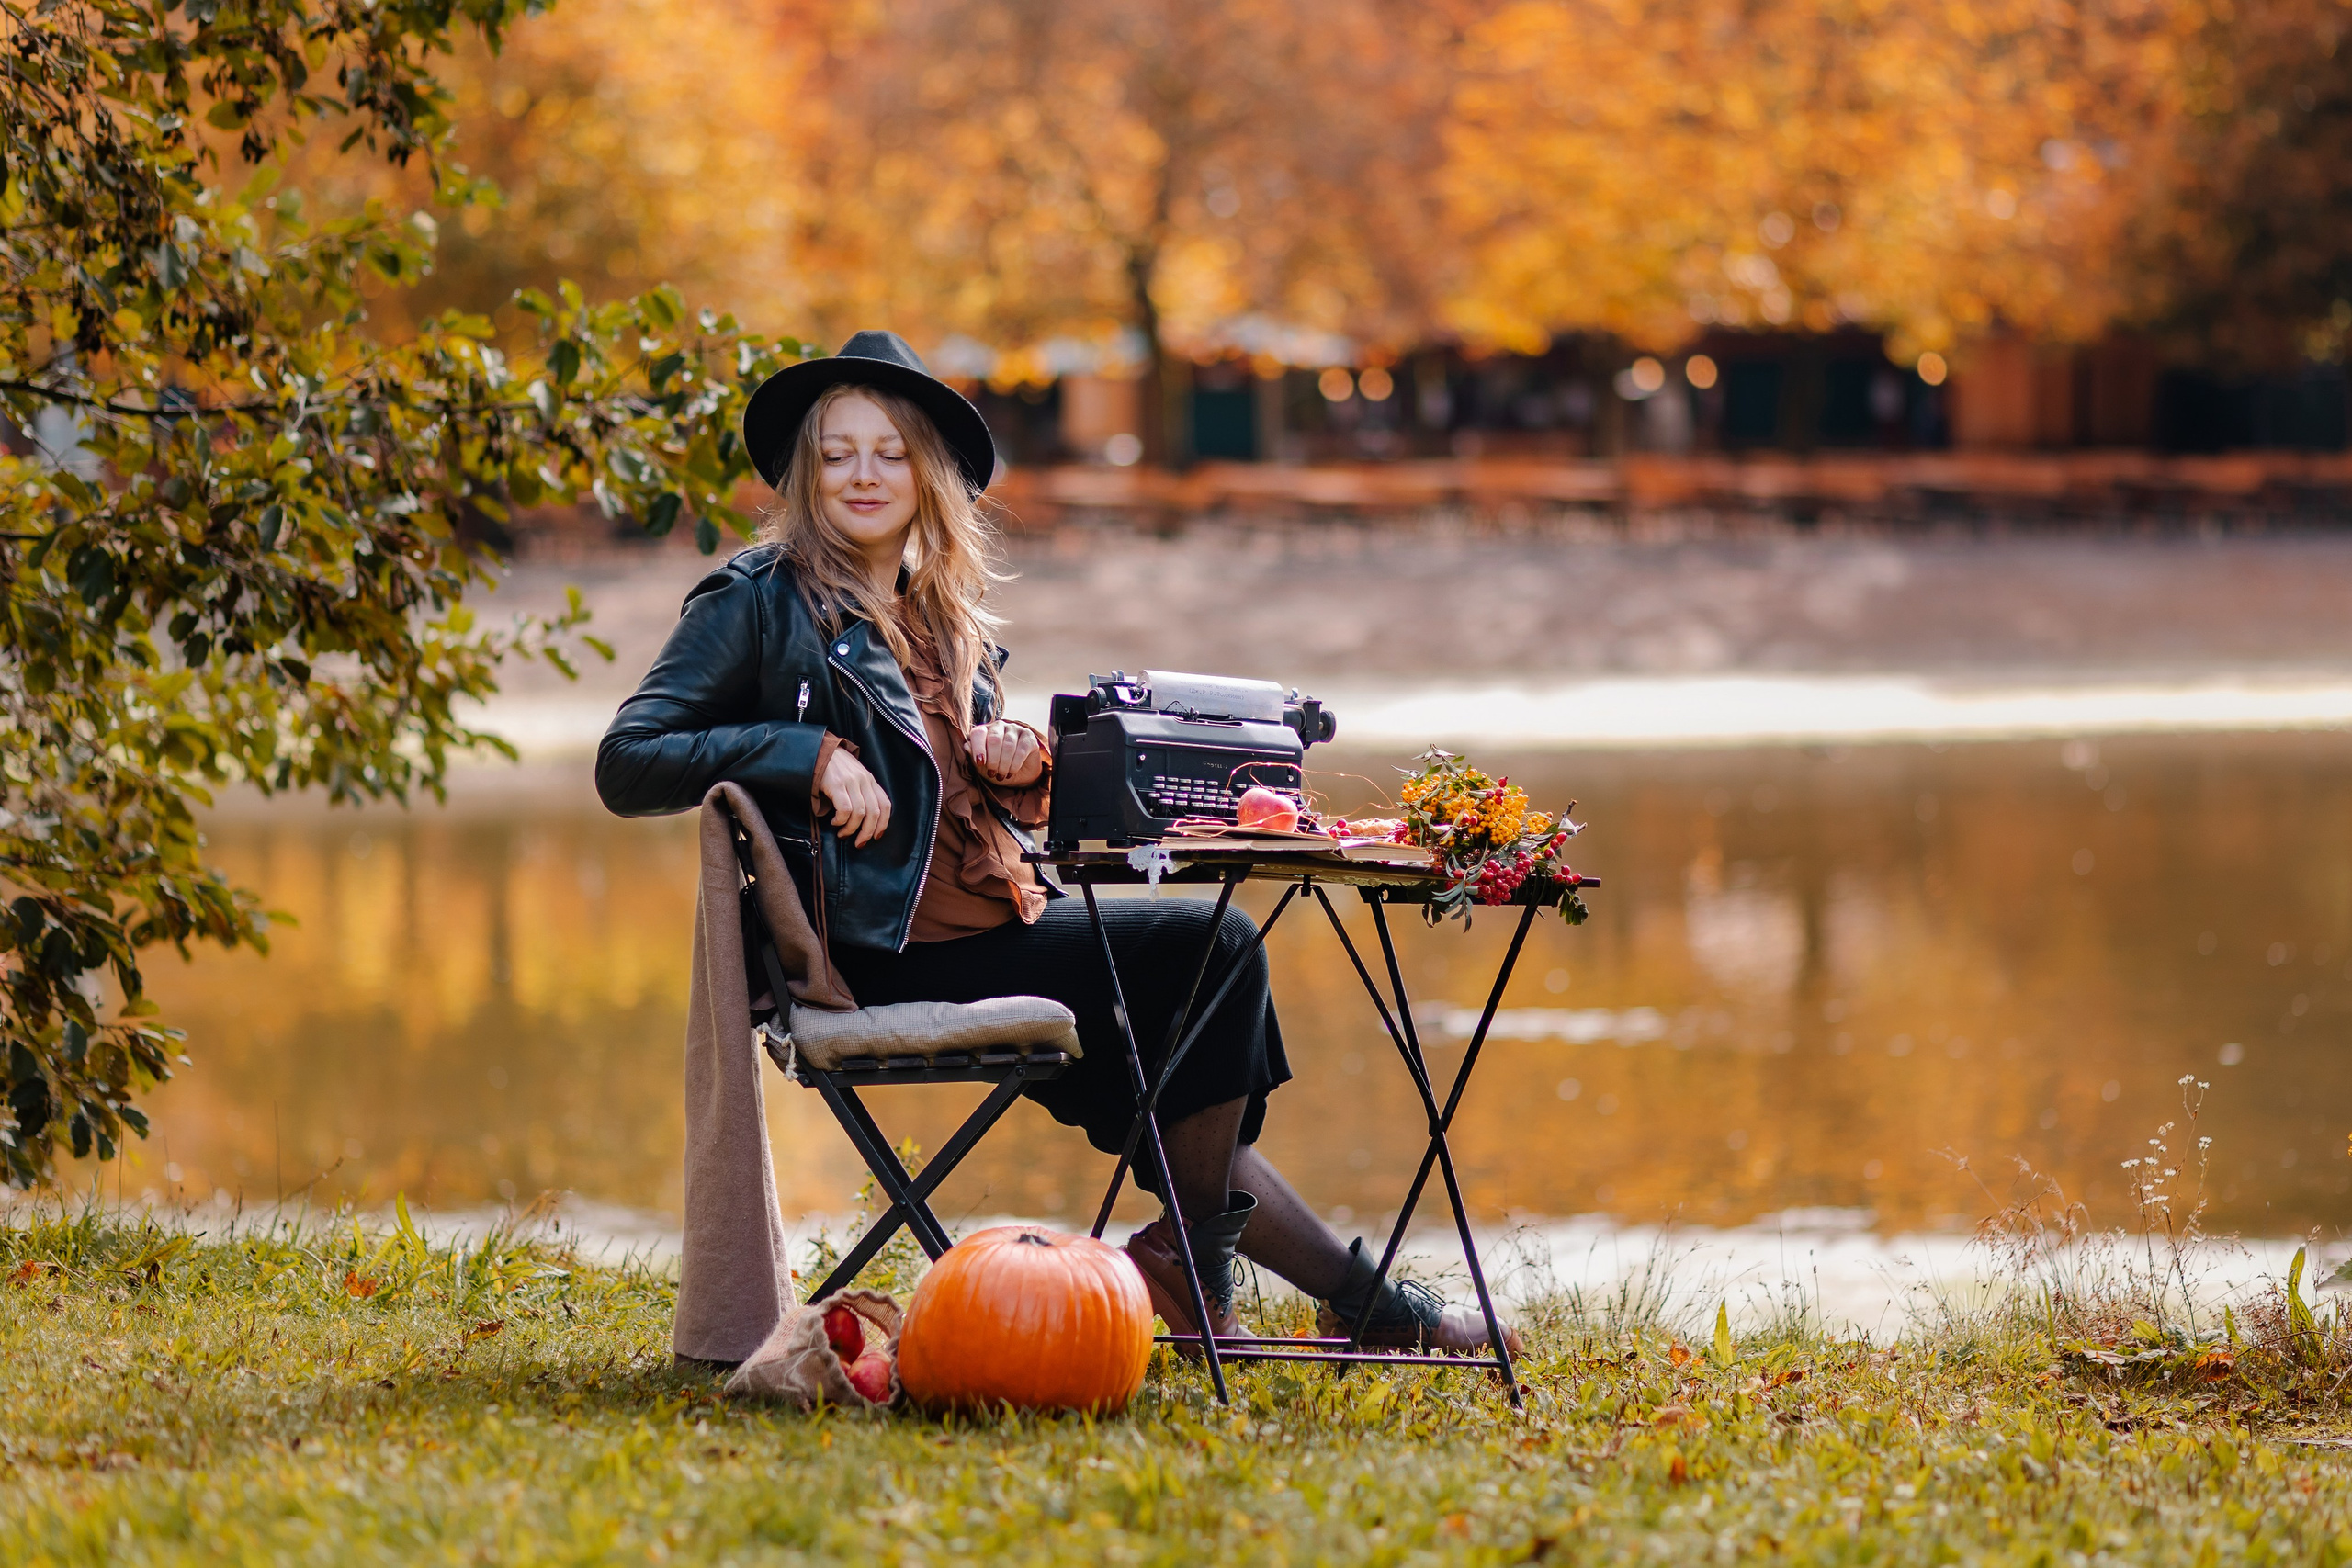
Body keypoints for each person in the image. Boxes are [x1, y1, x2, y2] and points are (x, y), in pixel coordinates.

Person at [596, 330, 1517, 1356]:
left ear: (927, 474)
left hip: (998, 930)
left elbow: (977, 812)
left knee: (1183, 1065)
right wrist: (799, 752)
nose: (864, 475)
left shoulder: (944, 616)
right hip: (874, 961)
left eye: (890, 452)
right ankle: (1249, 1281)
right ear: (806, 473)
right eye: (838, 452)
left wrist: (1022, 765)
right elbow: (628, 759)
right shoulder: (757, 602)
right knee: (1212, 950)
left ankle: (1350, 1304)